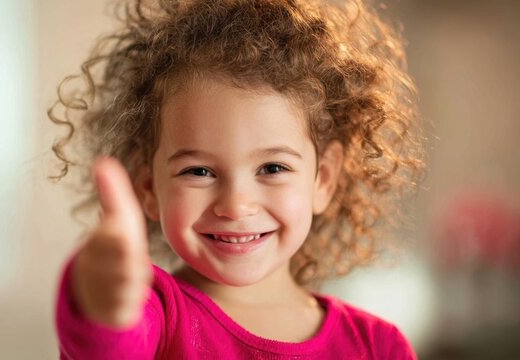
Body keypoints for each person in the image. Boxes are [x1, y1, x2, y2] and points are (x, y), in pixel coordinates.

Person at [48, 0, 426, 358]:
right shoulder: (155, 315)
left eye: (272, 168)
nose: (235, 205)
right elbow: (109, 347)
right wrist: (103, 302)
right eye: (199, 171)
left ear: (322, 179)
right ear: (148, 187)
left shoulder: (379, 346)